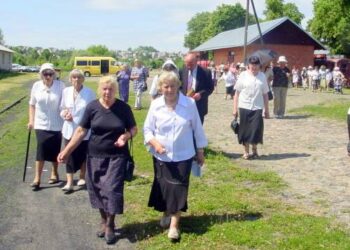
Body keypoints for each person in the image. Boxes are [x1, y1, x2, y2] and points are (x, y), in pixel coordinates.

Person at [57, 76, 137, 244]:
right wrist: (66, 150)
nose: (107, 92)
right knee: (96, 190)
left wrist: (126, 135)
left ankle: (110, 224)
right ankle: (103, 219)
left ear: (115, 90)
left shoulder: (123, 108)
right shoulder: (92, 107)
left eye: (111, 89)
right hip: (94, 155)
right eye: (104, 89)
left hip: (117, 157)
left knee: (111, 190)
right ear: (100, 89)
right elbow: (80, 131)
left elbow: (134, 128)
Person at [143, 71, 208, 241]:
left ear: (178, 86)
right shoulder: (156, 104)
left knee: (179, 188)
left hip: (184, 155)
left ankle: (174, 225)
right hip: (161, 156)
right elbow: (147, 130)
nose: (170, 89)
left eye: (173, 86)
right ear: (161, 88)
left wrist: (200, 150)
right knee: (164, 187)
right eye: (166, 86)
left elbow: (197, 128)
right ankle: (166, 211)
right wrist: (155, 143)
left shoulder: (189, 103)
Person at [28, 63, 65, 191]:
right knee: (41, 149)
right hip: (40, 123)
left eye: (50, 74)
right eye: (45, 74)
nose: (48, 76)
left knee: (55, 150)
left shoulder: (60, 86)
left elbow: (64, 103)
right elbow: (32, 104)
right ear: (41, 74)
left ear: (54, 74)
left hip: (57, 124)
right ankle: (37, 178)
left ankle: (54, 173)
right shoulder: (36, 86)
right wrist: (31, 121)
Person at [60, 69, 96, 192]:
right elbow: (62, 108)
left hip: (84, 130)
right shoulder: (65, 91)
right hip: (69, 129)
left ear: (83, 79)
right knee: (68, 154)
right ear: (70, 79)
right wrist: (64, 114)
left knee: (83, 154)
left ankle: (82, 177)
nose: (76, 79)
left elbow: (93, 110)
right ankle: (69, 182)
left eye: (79, 77)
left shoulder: (89, 93)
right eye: (74, 77)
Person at [233, 56, 270, 159]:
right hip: (244, 106)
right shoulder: (243, 75)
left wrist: (266, 109)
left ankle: (254, 150)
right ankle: (246, 151)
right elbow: (237, 93)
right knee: (245, 130)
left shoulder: (262, 76)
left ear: (259, 65)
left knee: (256, 129)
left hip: (257, 107)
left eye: (256, 64)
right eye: (252, 65)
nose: (254, 67)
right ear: (248, 65)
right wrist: (234, 109)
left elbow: (265, 94)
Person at [179, 53, 214, 124]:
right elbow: (179, 87)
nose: (188, 67)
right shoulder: (182, 71)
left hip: (199, 107)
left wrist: (200, 94)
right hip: (184, 106)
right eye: (187, 64)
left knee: (197, 132)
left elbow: (210, 88)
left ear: (196, 61)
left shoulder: (206, 72)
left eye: (191, 64)